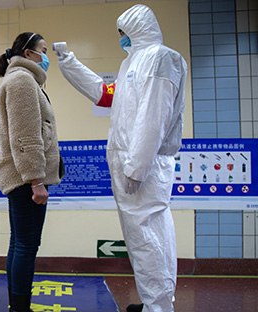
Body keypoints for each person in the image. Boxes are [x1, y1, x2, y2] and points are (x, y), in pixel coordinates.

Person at [54, 4, 187, 312]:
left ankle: (159, 307)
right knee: (142, 239)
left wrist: (137, 167)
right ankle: (154, 302)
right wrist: (69, 62)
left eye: (122, 33)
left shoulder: (160, 58)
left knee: (149, 239)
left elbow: (154, 117)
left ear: (135, 29)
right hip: (131, 165)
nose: (121, 39)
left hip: (143, 168)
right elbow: (104, 94)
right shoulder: (133, 64)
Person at [0, 32, 63, 312]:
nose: (47, 56)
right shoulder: (22, 80)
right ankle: (20, 308)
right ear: (27, 52)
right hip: (26, 178)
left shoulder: (23, 80)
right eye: (43, 50)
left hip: (21, 176)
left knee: (18, 243)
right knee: (26, 245)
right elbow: (25, 135)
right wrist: (36, 179)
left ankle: (16, 305)